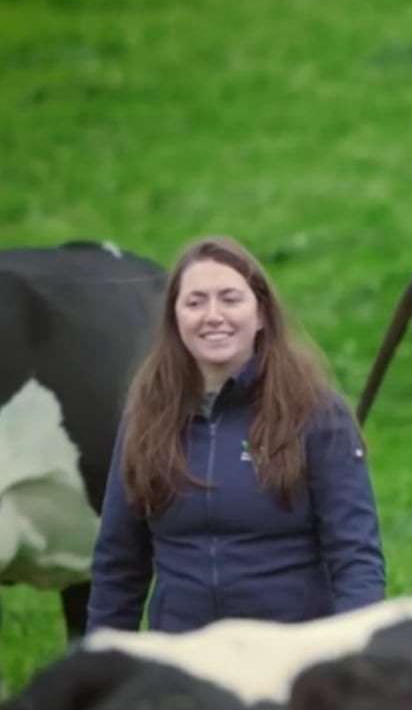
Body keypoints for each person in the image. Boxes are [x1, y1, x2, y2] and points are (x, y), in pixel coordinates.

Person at [86, 236, 386, 633]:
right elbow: (119, 564)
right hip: (185, 654)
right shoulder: (147, 416)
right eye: (195, 302)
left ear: (260, 314)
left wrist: (354, 656)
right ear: (175, 318)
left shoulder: (317, 414)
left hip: (292, 652)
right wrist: (102, 658)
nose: (213, 316)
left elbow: (356, 560)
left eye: (229, 299)